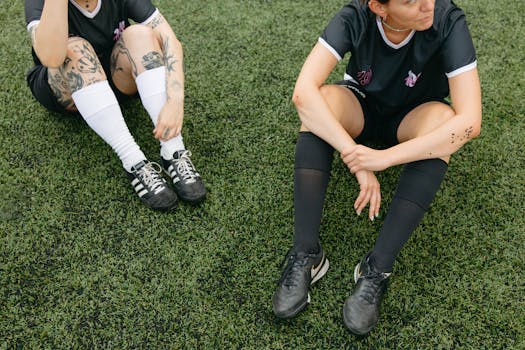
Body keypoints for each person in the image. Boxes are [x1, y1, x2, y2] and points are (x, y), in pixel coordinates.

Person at [272, 0, 481, 335]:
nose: (426, 5)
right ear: (379, 8)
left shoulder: (447, 18)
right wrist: (354, 155)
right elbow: (302, 93)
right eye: (410, 2)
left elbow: (471, 122)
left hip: (415, 116)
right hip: (361, 106)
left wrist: (383, 159)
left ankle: (376, 269)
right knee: (320, 103)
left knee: (445, 125)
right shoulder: (356, 15)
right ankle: (306, 253)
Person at [24, 0, 206, 211]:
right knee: (75, 48)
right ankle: (135, 163)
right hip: (68, 87)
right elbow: (51, 57)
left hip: (116, 74)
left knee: (140, 33)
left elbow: (170, 40)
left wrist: (175, 101)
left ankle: (173, 151)